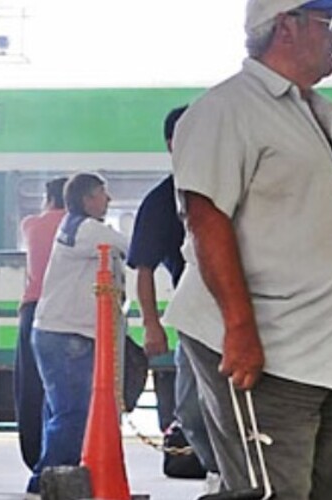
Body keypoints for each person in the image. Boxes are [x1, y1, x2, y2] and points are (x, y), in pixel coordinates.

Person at [163, 0, 332, 498]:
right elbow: (205, 217)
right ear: (286, 27)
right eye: (327, 26)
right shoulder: (228, 110)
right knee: (273, 492)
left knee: (320, 490)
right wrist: (239, 331)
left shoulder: (311, 114)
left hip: (324, 351)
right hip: (269, 354)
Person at [127, 106, 219, 484]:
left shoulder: (232, 185)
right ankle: (217, 471)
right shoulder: (162, 200)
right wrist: (152, 325)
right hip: (197, 319)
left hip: (255, 310)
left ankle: (240, 476)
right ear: (172, 144)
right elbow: (143, 267)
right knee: (193, 408)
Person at [25, 172, 128, 498]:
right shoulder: (85, 229)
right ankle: (43, 485)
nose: (108, 200)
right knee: (74, 414)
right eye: (102, 193)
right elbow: (132, 246)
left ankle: (54, 481)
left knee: (62, 413)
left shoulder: (74, 226)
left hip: (58, 332)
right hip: (66, 335)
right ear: (86, 200)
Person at [14, 176, 67, 471]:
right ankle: (60, 455)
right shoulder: (82, 229)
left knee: (31, 388)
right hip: (65, 313)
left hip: (31, 311)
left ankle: (34, 458)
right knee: (65, 390)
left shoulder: (31, 225)